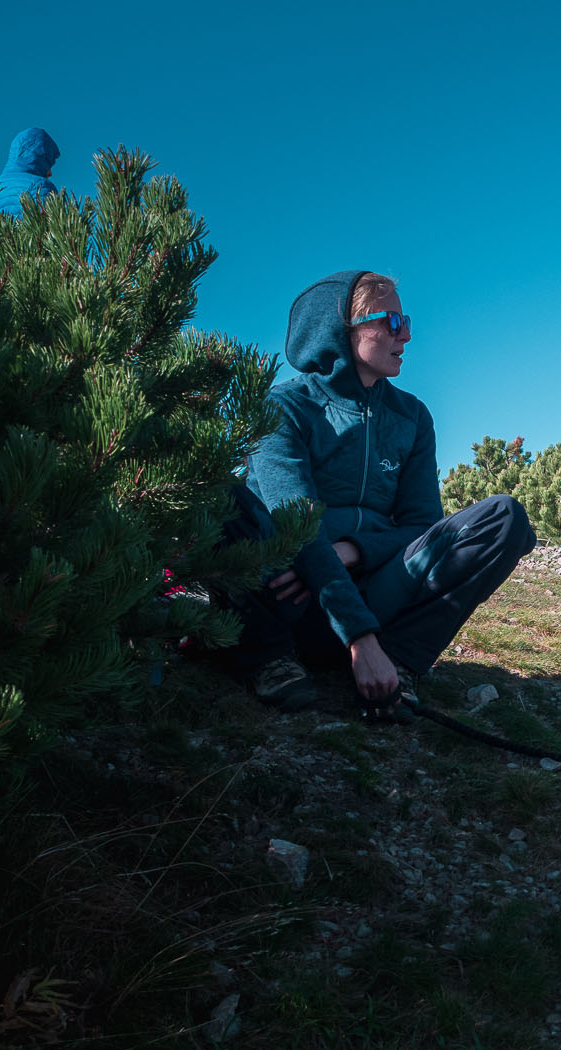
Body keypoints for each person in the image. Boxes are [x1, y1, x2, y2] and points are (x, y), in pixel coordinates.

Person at [217, 270, 535, 717]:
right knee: (219, 493)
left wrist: (352, 551)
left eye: (407, 321)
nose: (405, 334)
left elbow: (422, 526)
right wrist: (359, 639)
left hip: (376, 590)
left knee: (504, 518)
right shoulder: (284, 408)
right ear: (340, 329)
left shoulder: (411, 416)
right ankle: (268, 658)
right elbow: (298, 526)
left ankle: (399, 662)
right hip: (291, 600)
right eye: (391, 321)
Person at [0, 128, 59, 219]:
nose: (50, 173)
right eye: (48, 163)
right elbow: (55, 229)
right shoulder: (41, 186)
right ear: (40, 159)